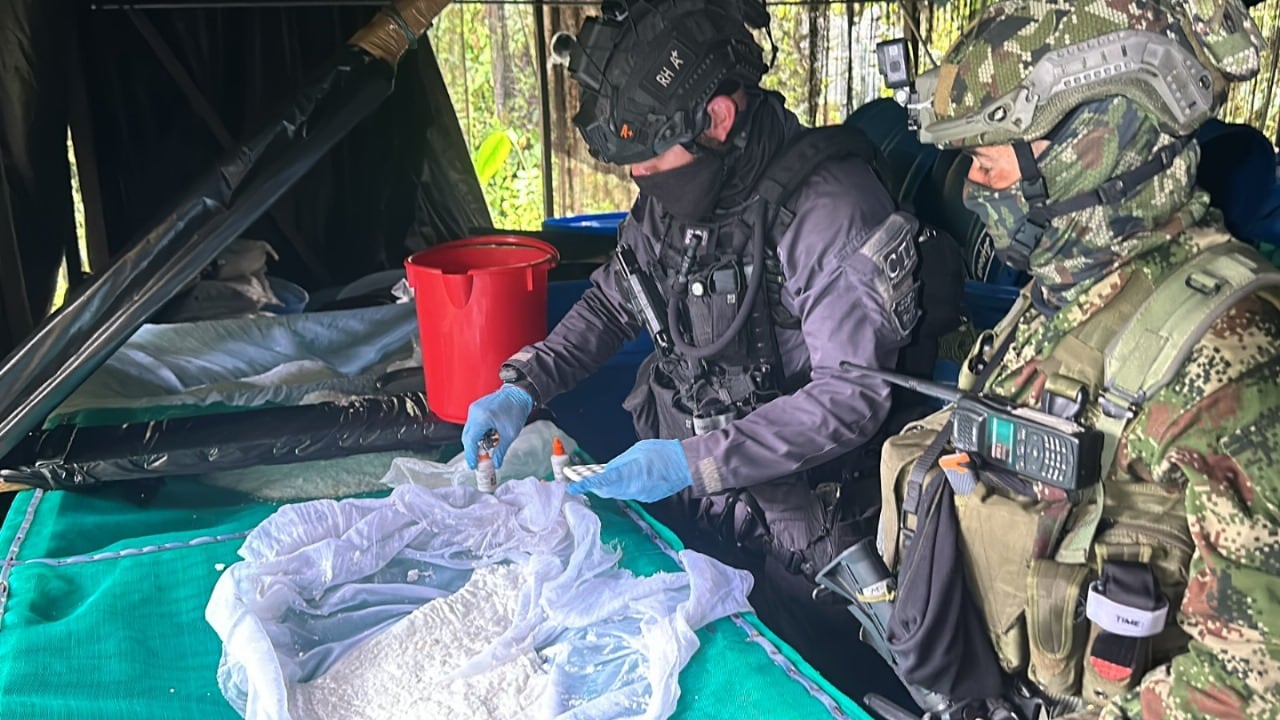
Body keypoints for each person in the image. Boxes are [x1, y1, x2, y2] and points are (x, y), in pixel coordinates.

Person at [459, 0, 951, 696]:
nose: (639, 177)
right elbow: (614, 300)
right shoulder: (681, 193)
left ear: (717, 118)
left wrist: (694, 461)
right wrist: (524, 385)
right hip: (699, 505)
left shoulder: (831, 207)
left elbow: (851, 396)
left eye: (650, 158)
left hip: (806, 541)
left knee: (789, 690)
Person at [858, 0, 1280, 718]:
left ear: (1096, 144)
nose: (973, 191)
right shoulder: (1067, 291)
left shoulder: (1230, 358)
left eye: (987, 164)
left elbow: (1253, 681)